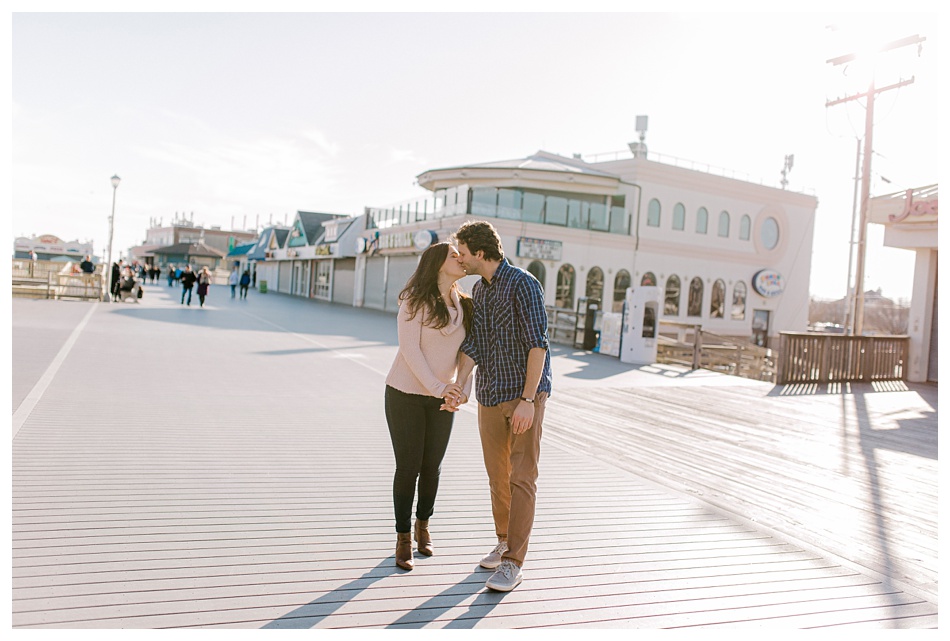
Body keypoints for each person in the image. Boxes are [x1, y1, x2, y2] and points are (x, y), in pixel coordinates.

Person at [449, 220, 552, 593]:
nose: (460, 259)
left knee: (521, 477)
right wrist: (460, 385)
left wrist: (528, 400)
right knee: (497, 476)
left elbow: (538, 344)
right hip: (489, 395)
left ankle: (514, 563)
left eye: (463, 253)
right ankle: (504, 540)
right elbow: (474, 344)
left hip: (523, 396)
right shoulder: (479, 289)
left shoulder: (524, 284)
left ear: (480, 252)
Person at [383, 242, 473, 571]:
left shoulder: (466, 305)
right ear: (436, 263)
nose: (461, 259)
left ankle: (424, 526)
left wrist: (461, 391)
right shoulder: (414, 300)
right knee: (408, 468)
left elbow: (468, 353)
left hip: (442, 398)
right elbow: (410, 350)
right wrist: (439, 388)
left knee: (432, 467)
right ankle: (403, 537)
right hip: (404, 393)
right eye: (454, 256)